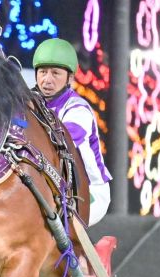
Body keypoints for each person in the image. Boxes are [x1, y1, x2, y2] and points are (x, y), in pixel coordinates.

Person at [32, 38, 112, 226]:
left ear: (70, 78)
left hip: (89, 191)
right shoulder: (30, 103)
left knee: (53, 223)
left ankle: (82, 255)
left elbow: (61, 139)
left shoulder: (78, 108)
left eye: (55, 73)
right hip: (52, 185)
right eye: (42, 72)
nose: (47, 80)